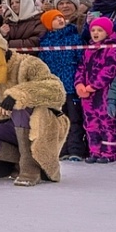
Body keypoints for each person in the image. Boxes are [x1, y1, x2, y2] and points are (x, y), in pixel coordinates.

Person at [0, 30, 67, 185]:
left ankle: (31, 168)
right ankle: (18, 161)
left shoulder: (28, 64)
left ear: (4, 51)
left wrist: (19, 94)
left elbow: (56, 90)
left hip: (40, 123)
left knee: (19, 108)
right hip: (7, 126)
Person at [37, 8, 87, 160]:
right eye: (55, 19)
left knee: (74, 119)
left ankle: (76, 150)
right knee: (58, 120)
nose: (60, 20)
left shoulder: (73, 37)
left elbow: (81, 59)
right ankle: (62, 149)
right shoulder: (45, 42)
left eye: (60, 17)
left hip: (71, 86)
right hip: (55, 89)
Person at [75, 17, 116, 162]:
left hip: (104, 92)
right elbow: (81, 68)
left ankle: (110, 152)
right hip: (87, 94)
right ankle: (95, 151)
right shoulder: (89, 49)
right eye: (93, 30)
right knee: (91, 123)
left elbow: (110, 70)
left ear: (108, 32)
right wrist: (79, 84)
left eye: (100, 30)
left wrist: (93, 86)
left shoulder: (113, 49)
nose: (95, 33)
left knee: (107, 122)